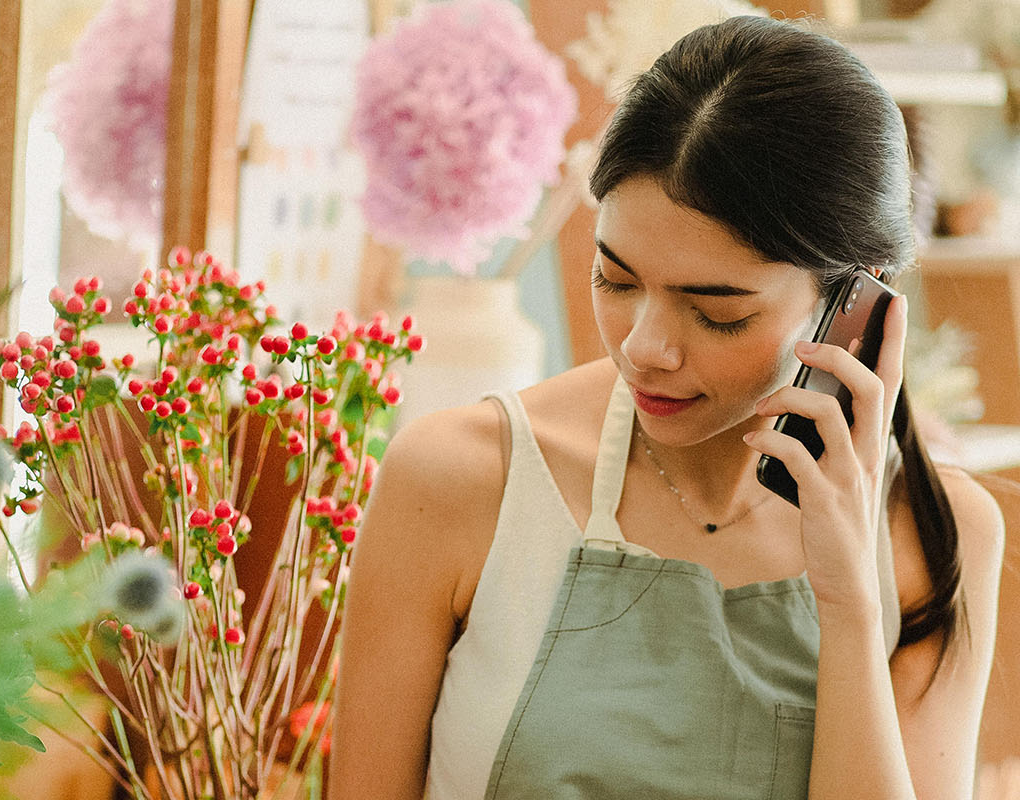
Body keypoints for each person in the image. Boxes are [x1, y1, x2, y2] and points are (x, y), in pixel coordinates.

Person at [330, 15, 1005, 800]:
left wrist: (850, 601)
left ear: (857, 299)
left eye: (718, 312)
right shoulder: (459, 478)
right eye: (615, 279)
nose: (645, 348)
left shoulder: (937, 534)